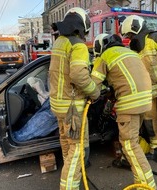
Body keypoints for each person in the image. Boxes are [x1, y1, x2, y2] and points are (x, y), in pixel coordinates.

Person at [91, 33, 156, 189]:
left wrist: (90, 96)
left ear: (100, 47)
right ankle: (136, 170)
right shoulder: (130, 53)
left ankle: (146, 185)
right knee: (133, 140)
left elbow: (93, 86)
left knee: (129, 144)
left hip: (130, 104)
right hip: (145, 101)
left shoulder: (105, 56)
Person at [120, 15, 157, 170]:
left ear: (136, 29)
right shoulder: (136, 48)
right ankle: (156, 149)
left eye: (130, 35)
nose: (129, 38)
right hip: (150, 91)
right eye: (128, 36)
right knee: (150, 123)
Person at [49, 7, 100, 190]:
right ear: (82, 25)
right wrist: (94, 92)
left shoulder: (59, 42)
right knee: (77, 149)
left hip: (58, 104)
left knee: (67, 144)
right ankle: (70, 186)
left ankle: (70, 175)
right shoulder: (77, 45)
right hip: (72, 107)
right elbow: (79, 74)